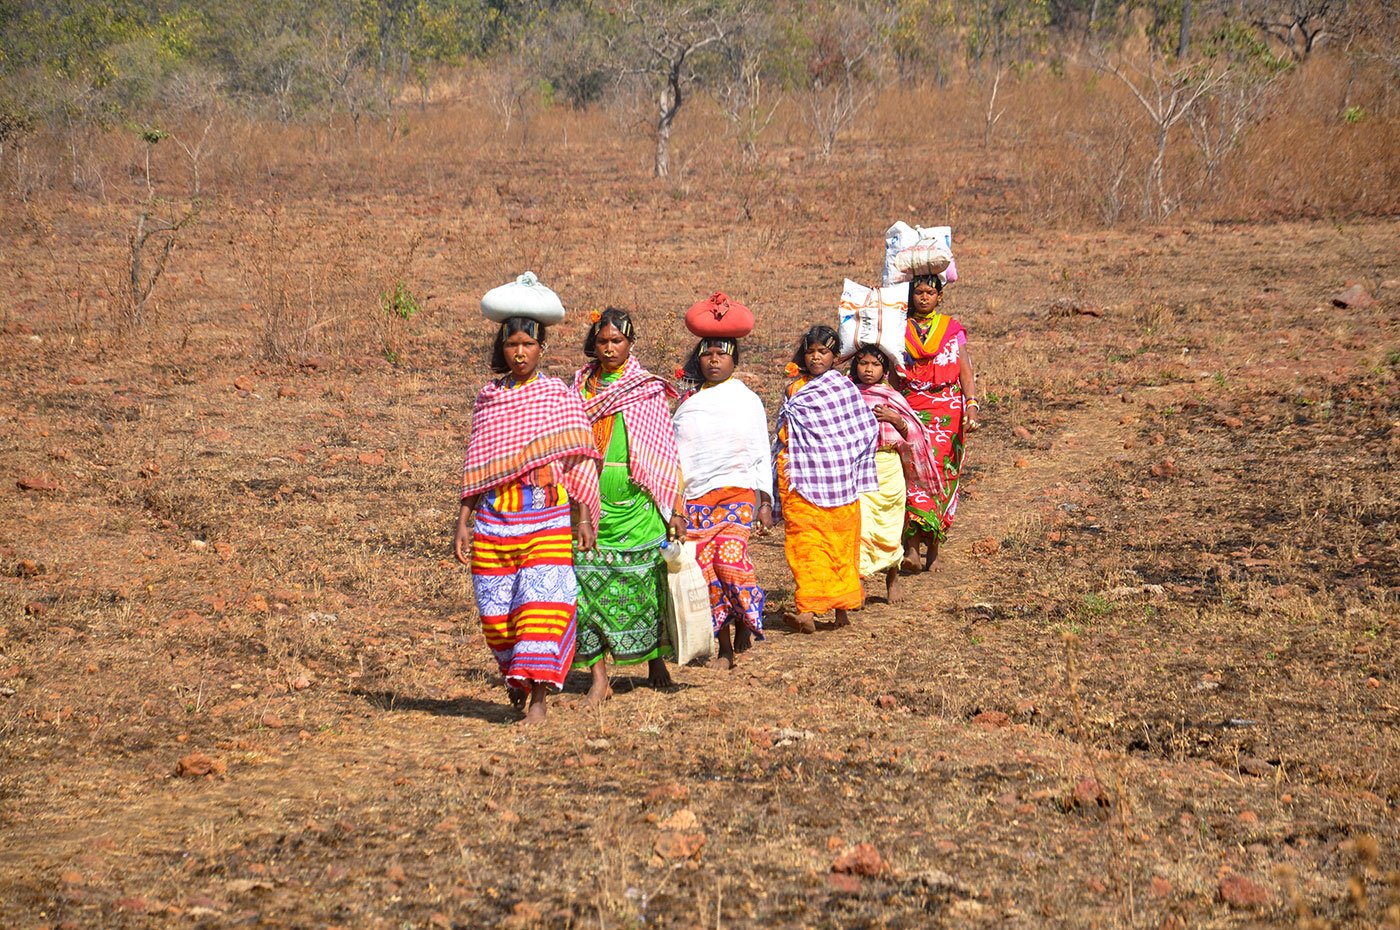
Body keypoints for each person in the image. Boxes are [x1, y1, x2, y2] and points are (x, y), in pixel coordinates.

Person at [454, 315, 601, 725]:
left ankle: (538, 699)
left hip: (547, 516)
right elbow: (477, 463)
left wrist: (584, 516)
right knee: (497, 617)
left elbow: (578, 459)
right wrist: (463, 520)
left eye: (528, 345)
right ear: (502, 349)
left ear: (542, 349)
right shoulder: (490, 398)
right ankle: (514, 674)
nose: (520, 353)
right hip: (494, 517)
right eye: (512, 344)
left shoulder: (557, 395)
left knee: (541, 606)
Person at [570, 308, 685, 704]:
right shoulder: (579, 389)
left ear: (630, 343)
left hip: (639, 504)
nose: (609, 348)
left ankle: (656, 664)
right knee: (585, 590)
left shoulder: (644, 389)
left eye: (616, 341)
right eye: (602, 341)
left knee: (647, 587)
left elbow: (665, 451)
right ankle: (599, 678)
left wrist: (677, 508)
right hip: (588, 502)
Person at [672, 336, 773, 669]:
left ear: (735, 360)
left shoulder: (747, 400)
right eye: (708, 355)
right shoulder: (689, 404)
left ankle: (745, 617)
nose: (714, 360)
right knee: (706, 573)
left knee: (729, 561)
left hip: (738, 493)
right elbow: (678, 456)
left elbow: (759, 449)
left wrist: (764, 501)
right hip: (697, 499)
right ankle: (725, 648)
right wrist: (675, 506)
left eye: (721, 354)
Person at [773, 325, 879, 633]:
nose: (816, 357)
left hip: (838, 480)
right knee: (806, 542)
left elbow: (864, 429)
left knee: (840, 544)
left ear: (835, 357)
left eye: (824, 352)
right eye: (811, 352)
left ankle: (840, 607)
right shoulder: (794, 389)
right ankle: (809, 607)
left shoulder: (842, 388)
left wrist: (843, 459)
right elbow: (785, 431)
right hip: (800, 478)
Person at [898, 273, 980, 572]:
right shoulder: (899, 327)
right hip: (911, 406)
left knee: (943, 475)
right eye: (918, 292)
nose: (923, 298)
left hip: (948, 411)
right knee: (910, 473)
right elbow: (894, 372)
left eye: (929, 293)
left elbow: (965, 369)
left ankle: (934, 546)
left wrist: (971, 405)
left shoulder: (951, 329)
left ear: (939, 297)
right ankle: (911, 547)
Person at [849, 345, 939, 604]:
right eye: (862, 363)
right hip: (858, 468)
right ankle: (860, 582)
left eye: (874, 365)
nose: (868, 369)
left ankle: (892, 578)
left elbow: (915, 432)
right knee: (862, 526)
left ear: (885, 370)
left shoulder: (892, 397)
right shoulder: (848, 394)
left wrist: (894, 419)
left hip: (888, 466)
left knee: (891, 524)